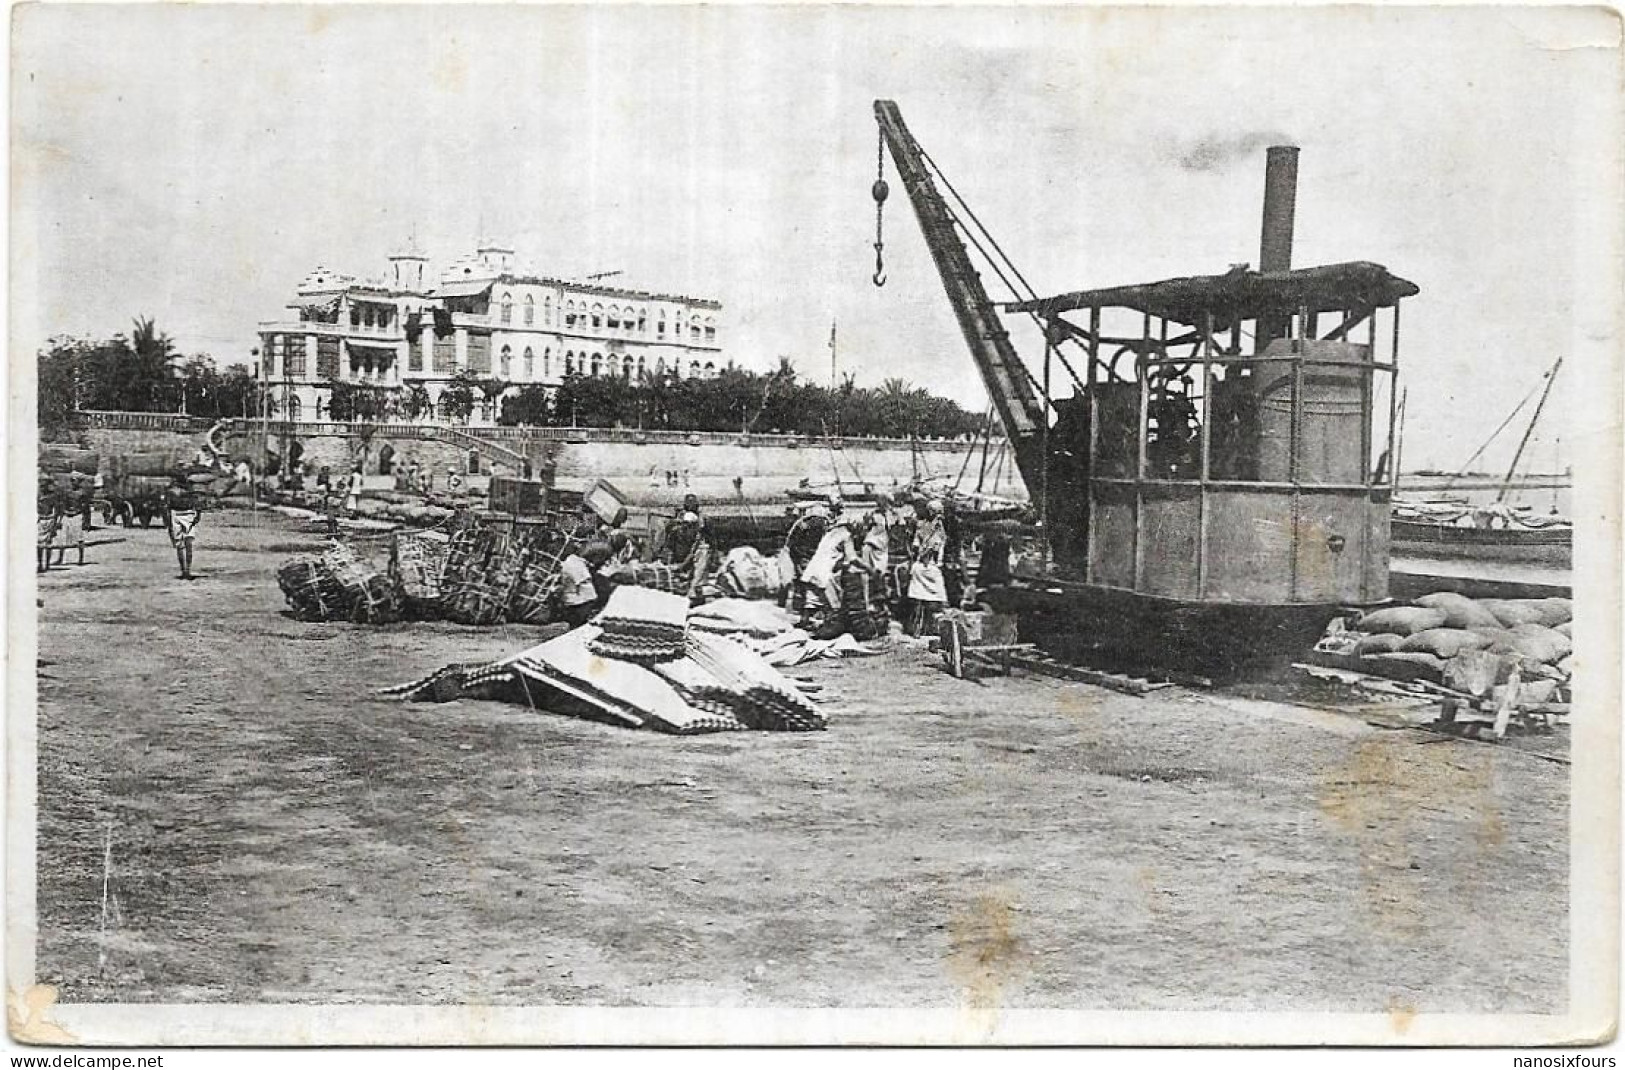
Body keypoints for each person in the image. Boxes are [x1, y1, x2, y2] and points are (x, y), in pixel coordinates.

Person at [799, 512, 858, 633]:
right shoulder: (846, 535)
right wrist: (868, 569)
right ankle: (830, 627)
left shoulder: (830, 534)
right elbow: (852, 558)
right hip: (824, 573)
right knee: (832, 603)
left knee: (811, 600)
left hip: (812, 570)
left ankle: (804, 623)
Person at [907, 499, 950, 636]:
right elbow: (933, 549)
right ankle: (938, 631)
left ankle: (918, 631)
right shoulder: (936, 529)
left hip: (919, 566)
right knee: (940, 601)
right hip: (929, 566)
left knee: (919, 601)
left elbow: (914, 547)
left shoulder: (922, 527)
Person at [660, 495, 710, 600]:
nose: (685, 528)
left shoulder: (699, 532)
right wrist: (670, 567)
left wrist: (682, 565)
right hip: (680, 559)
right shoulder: (676, 530)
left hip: (689, 561)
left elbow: (694, 551)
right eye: (684, 525)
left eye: (689, 526)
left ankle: (693, 593)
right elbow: (669, 548)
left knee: (702, 554)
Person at [557, 541, 613, 628]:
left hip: (577, 601)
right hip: (578, 604)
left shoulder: (575, 561)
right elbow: (590, 595)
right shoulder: (576, 565)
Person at [163, 474, 203, 580]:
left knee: (180, 545)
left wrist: (167, 522)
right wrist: (197, 516)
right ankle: (187, 570)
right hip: (186, 514)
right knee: (187, 544)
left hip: (177, 514)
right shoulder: (190, 491)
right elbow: (198, 505)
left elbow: (166, 507)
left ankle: (184, 570)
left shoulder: (171, 491)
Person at [37, 474, 60, 574]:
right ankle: (40, 563)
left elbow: (56, 509)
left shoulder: (52, 495)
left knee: (48, 544)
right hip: (40, 519)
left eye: (44, 483)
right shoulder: (37, 495)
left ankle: (47, 564)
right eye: (40, 482)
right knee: (38, 544)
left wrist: (55, 521)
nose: (42, 485)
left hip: (49, 519)